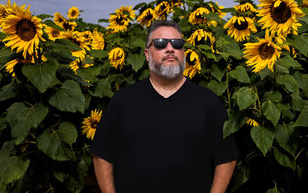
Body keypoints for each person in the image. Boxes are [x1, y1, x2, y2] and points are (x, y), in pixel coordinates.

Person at [92, 21, 239, 193]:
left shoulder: (209, 102)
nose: (170, 49)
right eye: (160, 44)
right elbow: (102, 154)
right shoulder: (123, 101)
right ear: (147, 54)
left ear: (183, 52)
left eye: (177, 44)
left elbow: (226, 158)